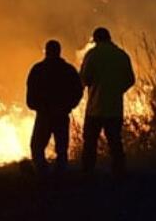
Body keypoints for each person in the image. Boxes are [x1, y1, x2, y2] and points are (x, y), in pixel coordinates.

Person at [80, 26, 135, 177]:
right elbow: (130, 79)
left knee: (90, 142)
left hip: (95, 109)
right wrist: (118, 90)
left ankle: (87, 173)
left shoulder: (92, 55)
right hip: (114, 108)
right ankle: (119, 173)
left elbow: (84, 78)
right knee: (115, 142)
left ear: (96, 39)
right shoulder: (121, 55)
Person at [26, 39, 83, 179]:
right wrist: (69, 106)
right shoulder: (68, 70)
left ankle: (42, 173)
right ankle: (60, 175)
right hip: (61, 114)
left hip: (44, 115)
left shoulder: (38, 69)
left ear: (46, 51)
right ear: (59, 51)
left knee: (37, 146)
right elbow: (78, 90)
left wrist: (35, 106)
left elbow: (31, 91)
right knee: (62, 148)